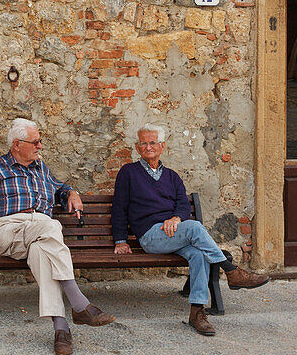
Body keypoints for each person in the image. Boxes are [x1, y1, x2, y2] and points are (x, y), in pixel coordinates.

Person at [0, 118, 115, 355]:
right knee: (51, 226)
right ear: (17, 144)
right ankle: (79, 303)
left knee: (43, 252)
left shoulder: (40, 167)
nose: (40, 146)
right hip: (7, 230)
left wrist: (72, 192)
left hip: (38, 233)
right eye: (36, 142)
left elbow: (59, 187)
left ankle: (61, 329)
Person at [111, 123, 269, 336]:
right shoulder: (128, 173)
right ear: (137, 148)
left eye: (152, 142)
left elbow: (183, 206)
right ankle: (231, 270)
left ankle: (197, 312)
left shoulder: (172, 176)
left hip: (175, 234)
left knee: (199, 254)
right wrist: (120, 240)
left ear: (162, 146)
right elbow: (119, 207)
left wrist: (176, 218)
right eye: (143, 143)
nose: (148, 147)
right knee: (194, 227)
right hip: (150, 236)